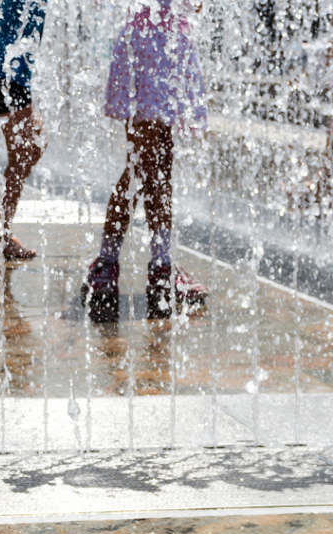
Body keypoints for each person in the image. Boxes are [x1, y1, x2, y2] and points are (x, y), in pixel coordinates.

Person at [82, 0, 209, 322]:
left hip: (167, 46)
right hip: (149, 48)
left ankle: (153, 264)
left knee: (159, 167)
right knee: (142, 166)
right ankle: (125, 264)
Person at [0, 0, 43, 261]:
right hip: (9, 77)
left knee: (34, 147)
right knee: (23, 154)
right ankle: (1, 232)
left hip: (11, 77)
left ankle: (0, 219)